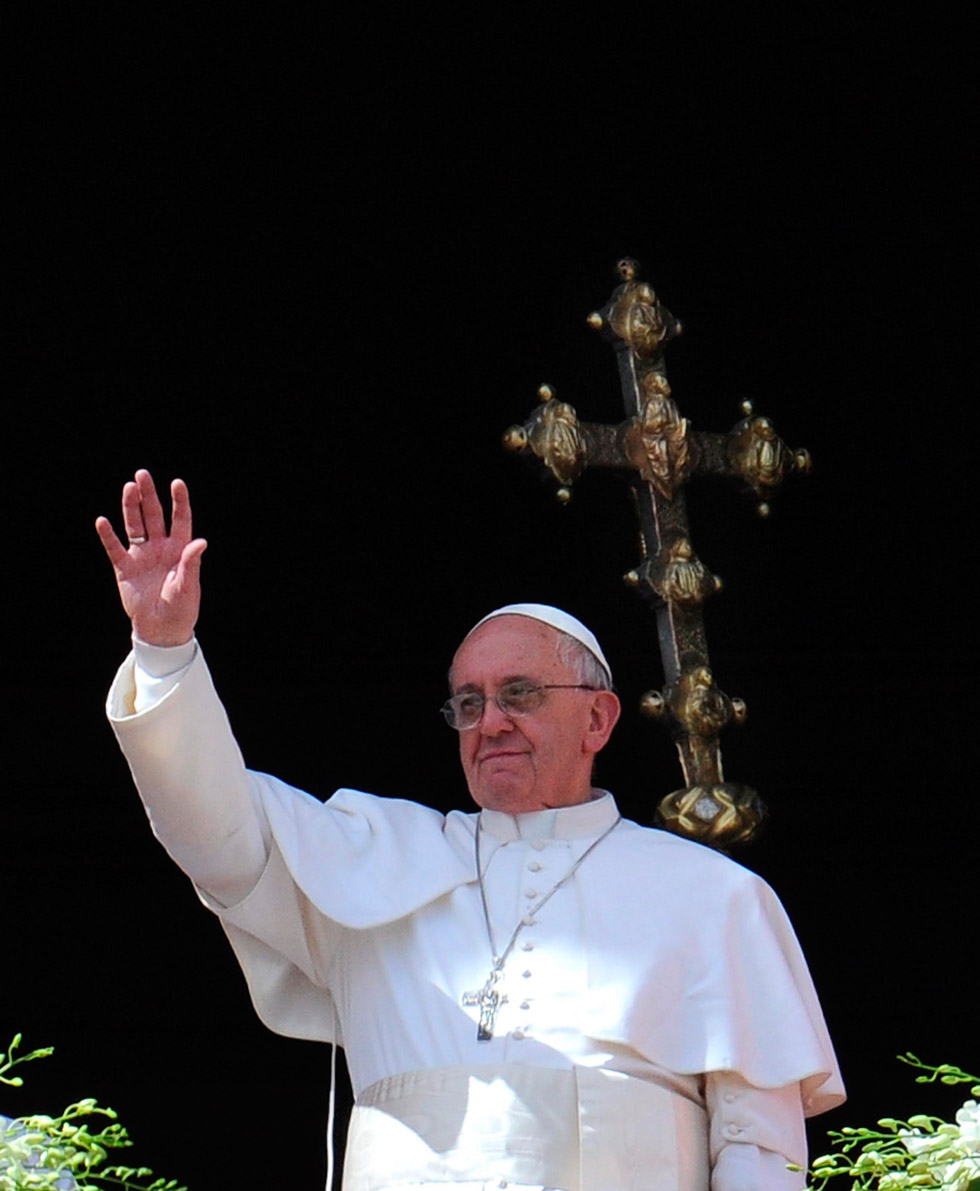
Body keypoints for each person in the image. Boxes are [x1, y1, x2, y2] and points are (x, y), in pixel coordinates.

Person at [97, 470, 844, 1191]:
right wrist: (164, 653)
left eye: (519, 693)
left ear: (598, 718)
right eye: (468, 702)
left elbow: (760, 1146)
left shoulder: (713, 897)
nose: (491, 723)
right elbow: (215, 831)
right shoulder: (374, 856)